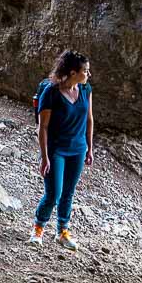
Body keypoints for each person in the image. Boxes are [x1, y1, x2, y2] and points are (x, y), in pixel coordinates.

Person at [30, 49, 94, 250]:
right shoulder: (51, 92)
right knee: (53, 193)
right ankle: (38, 229)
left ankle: (62, 232)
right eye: (85, 71)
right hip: (56, 149)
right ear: (73, 72)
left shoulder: (85, 90)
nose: (88, 75)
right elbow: (43, 127)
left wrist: (90, 148)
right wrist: (44, 156)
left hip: (78, 149)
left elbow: (89, 119)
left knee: (68, 192)